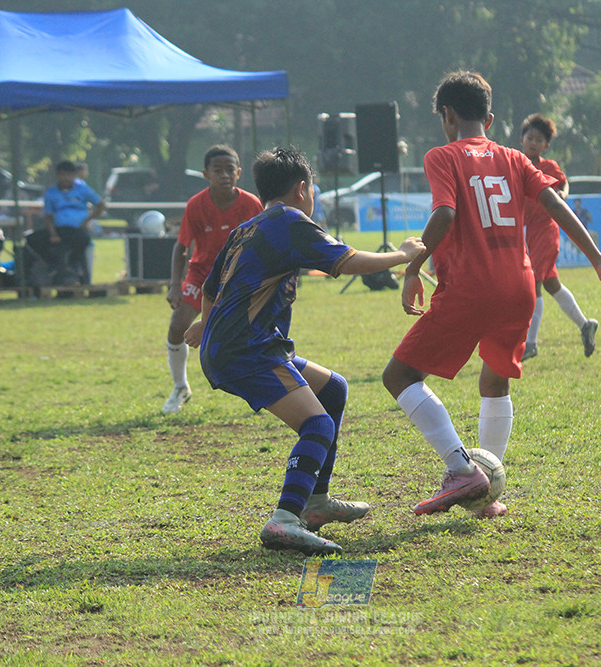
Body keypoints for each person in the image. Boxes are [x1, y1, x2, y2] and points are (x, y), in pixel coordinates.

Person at [381, 71, 601, 519]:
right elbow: (556, 205)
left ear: (448, 116)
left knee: (399, 377)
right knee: (494, 380)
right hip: (519, 285)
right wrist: (599, 262)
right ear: (491, 119)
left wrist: (414, 266)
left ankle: (462, 471)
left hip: (470, 287)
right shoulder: (515, 158)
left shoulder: (443, 155)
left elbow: (444, 212)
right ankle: (486, 498)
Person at [183, 147, 425, 555]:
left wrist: (206, 325)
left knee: (333, 390)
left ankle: (316, 502)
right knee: (318, 424)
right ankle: (284, 519)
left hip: (243, 344)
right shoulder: (291, 221)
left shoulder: (248, 226)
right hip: (247, 349)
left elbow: (211, 287)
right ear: (301, 190)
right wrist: (404, 255)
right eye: (312, 189)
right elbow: (348, 261)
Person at [162, 145, 262, 415]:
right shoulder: (196, 205)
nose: (225, 175)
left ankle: (265, 385)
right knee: (177, 326)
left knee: (252, 333)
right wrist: (175, 285)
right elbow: (181, 247)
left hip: (238, 277)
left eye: (230, 169)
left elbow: (264, 244)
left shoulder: (251, 204)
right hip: (202, 273)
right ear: (206, 174)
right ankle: (180, 387)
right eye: (218, 170)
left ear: (239, 173)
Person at [519, 114, 598, 361]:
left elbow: (564, 184)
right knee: (552, 284)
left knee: (534, 284)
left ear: (546, 146)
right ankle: (585, 325)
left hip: (546, 230)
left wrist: (562, 193)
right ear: (521, 139)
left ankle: (530, 343)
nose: (533, 142)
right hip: (527, 231)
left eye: (538, 139)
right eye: (530, 137)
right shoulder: (515, 164)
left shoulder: (549, 167)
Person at [27, 160, 106, 285]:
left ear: (74, 175)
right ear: (57, 175)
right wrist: (53, 234)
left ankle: (72, 263)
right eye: (62, 175)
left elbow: (101, 205)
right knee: (32, 239)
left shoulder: (82, 189)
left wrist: (87, 221)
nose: (65, 178)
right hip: (59, 230)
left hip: (77, 230)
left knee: (83, 239)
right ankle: (53, 263)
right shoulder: (51, 193)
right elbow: (48, 216)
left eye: (68, 175)